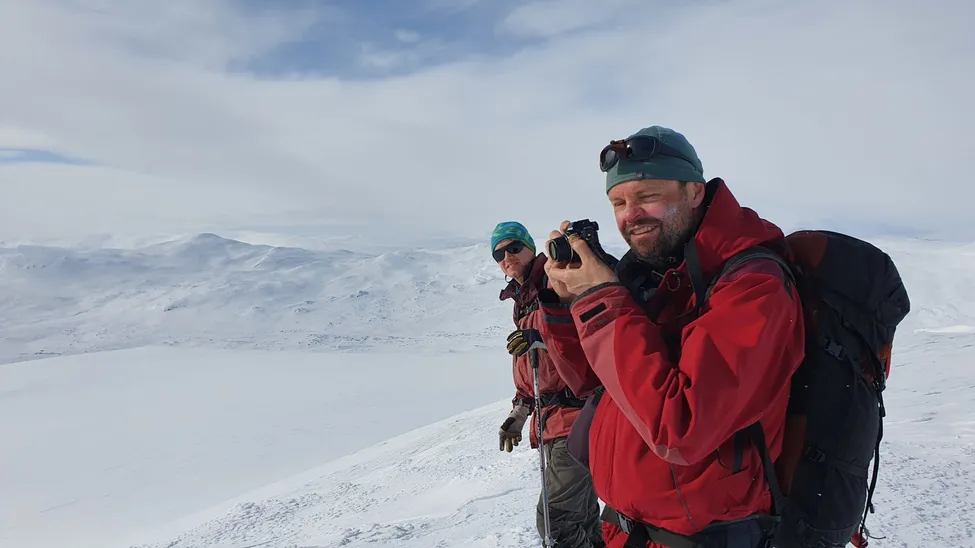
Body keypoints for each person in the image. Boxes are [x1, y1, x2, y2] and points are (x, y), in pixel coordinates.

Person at [535, 126, 806, 548]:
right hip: (626, 530)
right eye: (618, 203)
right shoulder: (655, 275)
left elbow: (681, 427)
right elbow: (593, 384)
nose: (631, 215)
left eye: (648, 196)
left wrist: (600, 299)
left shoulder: (753, 285)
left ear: (694, 192)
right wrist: (566, 304)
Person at [490, 220, 605, 548]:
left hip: (578, 418)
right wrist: (519, 413)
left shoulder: (556, 279)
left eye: (514, 247)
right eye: (499, 254)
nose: (507, 257)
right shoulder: (522, 301)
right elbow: (534, 369)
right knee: (583, 517)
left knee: (556, 522)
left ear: (530, 247)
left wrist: (541, 337)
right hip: (553, 422)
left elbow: (588, 331)